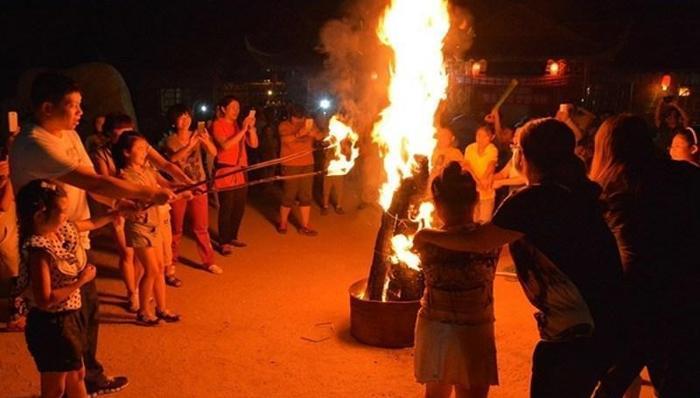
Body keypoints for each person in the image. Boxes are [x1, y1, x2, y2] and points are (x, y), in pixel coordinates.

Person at [415, 118, 624, 398]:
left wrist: (426, 235)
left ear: (524, 156)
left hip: (579, 331)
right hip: (600, 323)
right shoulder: (571, 190)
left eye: (516, 149)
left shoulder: (533, 200)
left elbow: (476, 241)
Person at [10, 72, 174, 395]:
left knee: (87, 314)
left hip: (73, 236)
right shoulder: (34, 144)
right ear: (46, 108)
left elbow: (93, 183)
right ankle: (74, 379)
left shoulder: (68, 134)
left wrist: (121, 203)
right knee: (62, 323)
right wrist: (147, 193)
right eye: (72, 106)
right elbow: (94, 182)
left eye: (80, 105)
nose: (80, 112)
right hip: (51, 246)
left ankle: (88, 377)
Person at [589, 115, 700, 397]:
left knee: (616, 379)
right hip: (686, 295)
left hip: (639, 299)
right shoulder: (686, 174)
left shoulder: (609, 188)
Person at [16, 180, 120, 398]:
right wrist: (81, 281)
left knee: (77, 374)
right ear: (40, 215)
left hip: (69, 319)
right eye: (62, 211)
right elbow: (44, 299)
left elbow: (89, 224)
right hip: (51, 325)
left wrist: (116, 213)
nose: (67, 215)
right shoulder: (39, 249)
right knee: (55, 388)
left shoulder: (58, 230)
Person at [414, 162, 499, 398]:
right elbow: (470, 238)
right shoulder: (491, 238)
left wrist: (425, 233)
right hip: (476, 326)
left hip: (436, 325)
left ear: (437, 205)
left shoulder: (426, 241)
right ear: (474, 200)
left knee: (436, 394)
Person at [93, 113, 191, 302]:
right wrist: (120, 204)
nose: (126, 136)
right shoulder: (104, 156)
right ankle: (133, 294)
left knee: (144, 259)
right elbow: (105, 186)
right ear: (109, 135)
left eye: (129, 132)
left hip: (145, 213)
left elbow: (164, 167)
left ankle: (144, 291)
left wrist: (186, 182)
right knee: (127, 253)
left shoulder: (141, 156)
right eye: (120, 133)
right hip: (119, 206)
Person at [113, 131, 185, 325]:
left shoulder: (147, 170)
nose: (145, 151)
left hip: (154, 224)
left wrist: (183, 189)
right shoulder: (124, 176)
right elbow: (139, 201)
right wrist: (162, 195)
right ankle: (144, 311)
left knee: (160, 267)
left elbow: (166, 185)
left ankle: (162, 309)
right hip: (139, 227)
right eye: (140, 148)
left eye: (146, 147)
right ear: (126, 153)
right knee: (152, 270)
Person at [161, 104, 219, 276]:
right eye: (181, 117)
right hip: (179, 187)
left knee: (201, 226)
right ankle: (171, 261)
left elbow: (214, 152)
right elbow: (173, 159)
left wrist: (206, 140)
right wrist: (190, 145)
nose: (186, 120)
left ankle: (209, 262)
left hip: (199, 184)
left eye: (187, 116)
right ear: (174, 122)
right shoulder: (170, 139)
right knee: (176, 228)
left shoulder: (197, 136)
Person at [211, 96, 258, 255]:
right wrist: (243, 130)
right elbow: (225, 145)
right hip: (226, 170)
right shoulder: (217, 125)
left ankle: (232, 236)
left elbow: (254, 144)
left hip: (241, 169)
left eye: (238, 108)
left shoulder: (239, 125)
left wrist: (250, 129)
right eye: (232, 107)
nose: (236, 111)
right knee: (227, 206)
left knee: (239, 206)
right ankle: (223, 241)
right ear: (223, 109)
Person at [277, 104, 324, 236]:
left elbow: (320, 136)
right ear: (291, 116)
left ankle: (305, 225)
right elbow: (285, 140)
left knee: (306, 195)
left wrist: (314, 133)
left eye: (301, 118)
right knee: (289, 194)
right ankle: (283, 223)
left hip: (307, 163)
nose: (299, 121)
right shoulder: (284, 125)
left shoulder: (309, 124)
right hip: (290, 164)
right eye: (296, 118)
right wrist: (299, 133)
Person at [462, 125, 498, 223]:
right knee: (471, 220)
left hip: (486, 191)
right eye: (478, 135)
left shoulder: (492, 149)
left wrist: (483, 179)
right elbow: (467, 167)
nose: (480, 139)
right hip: (472, 190)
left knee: (484, 222)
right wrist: (477, 181)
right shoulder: (470, 148)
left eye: (484, 136)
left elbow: (491, 165)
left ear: (491, 137)